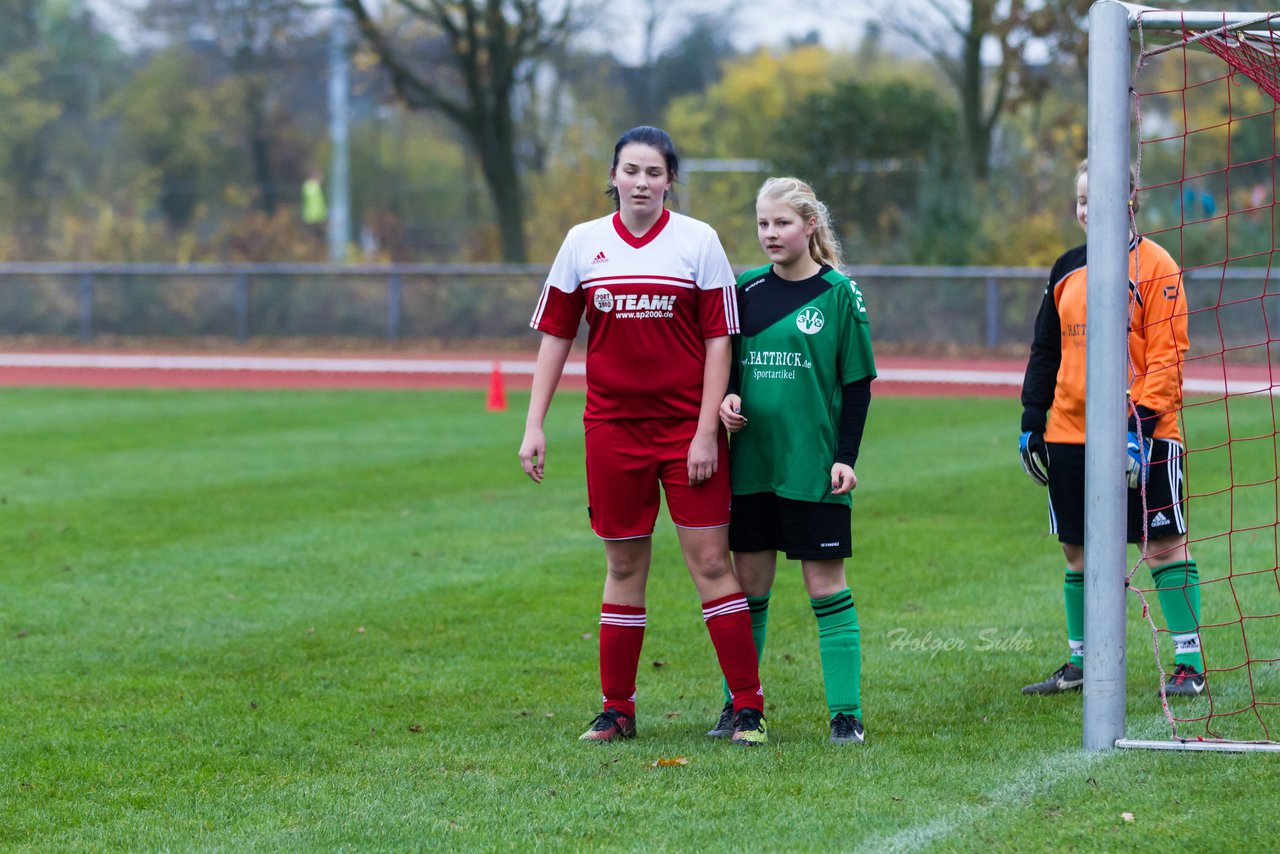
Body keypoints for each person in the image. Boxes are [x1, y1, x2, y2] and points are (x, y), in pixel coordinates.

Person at [518, 126, 767, 746]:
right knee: (623, 562)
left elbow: (720, 341)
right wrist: (533, 425)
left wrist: (706, 431)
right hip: (612, 431)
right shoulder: (582, 243)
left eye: (654, 173)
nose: (641, 182)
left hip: (687, 432)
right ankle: (617, 711)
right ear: (614, 176)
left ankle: (748, 707)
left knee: (711, 561)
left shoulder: (698, 241)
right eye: (631, 171)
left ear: (670, 181)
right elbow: (556, 338)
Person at [1019, 159, 1205, 697]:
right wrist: (1033, 421)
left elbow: (1169, 359)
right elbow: (1044, 350)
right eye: (1080, 200)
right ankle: (1080, 663)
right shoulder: (1065, 268)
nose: (1086, 209)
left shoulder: (1157, 265)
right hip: (1069, 433)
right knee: (1076, 549)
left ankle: (1188, 663)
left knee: (1164, 544)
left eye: (1095, 198)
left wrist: (1137, 427)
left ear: (1129, 198)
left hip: (1144, 434)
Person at [712, 177, 876, 744]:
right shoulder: (745, 289)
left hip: (813, 468)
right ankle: (741, 707)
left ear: (810, 226)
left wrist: (846, 458)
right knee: (748, 589)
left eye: (781, 222)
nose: (770, 234)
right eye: (762, 223)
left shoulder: (838, 294)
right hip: (753, 467)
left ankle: (846, 715)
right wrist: (727, 402)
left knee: (825, 587)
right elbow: (726, 371)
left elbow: (857, 384)